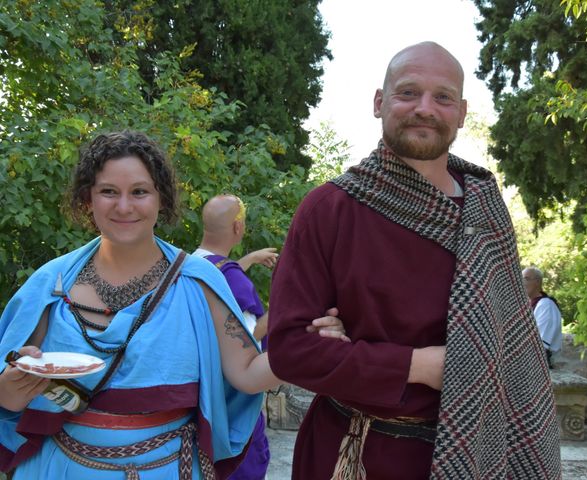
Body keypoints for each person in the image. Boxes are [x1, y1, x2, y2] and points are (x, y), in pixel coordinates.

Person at [267, 41, 561, 479]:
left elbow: (509, 342)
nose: (425, 108)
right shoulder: (329, 208)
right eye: (408, 93)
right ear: (379, 102)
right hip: (353, 450)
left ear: (461, 113)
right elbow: (290, 351)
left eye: (442, 97)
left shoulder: (485, 209)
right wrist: (421, 366)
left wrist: (357, 356)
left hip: (477, 450)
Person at [0, 130, 345, 479]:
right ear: (87, 199)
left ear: (161, 198)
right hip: (58, 469)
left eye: (139, 191)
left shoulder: (197, 281)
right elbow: (9, 384)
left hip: (166, 469)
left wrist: (309, 343)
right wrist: (8, 393)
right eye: (108, 192)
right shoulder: (52, 284)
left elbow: (247, 373)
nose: (124, 206)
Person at [194, 195, 276, 480]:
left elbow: (218, 275)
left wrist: (248, 260)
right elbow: (248, 342)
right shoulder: (234, 280)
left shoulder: (187, 267)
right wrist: (279, 314)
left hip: (198, 398)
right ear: (238, 227)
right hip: (233, 403)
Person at [522, 267, 563, 368]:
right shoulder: (531, 304)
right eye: (521, 279)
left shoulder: (546, 305)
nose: (522, 283)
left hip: (539, 365)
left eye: (526, 279)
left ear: (537, 282)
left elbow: (540, 345)